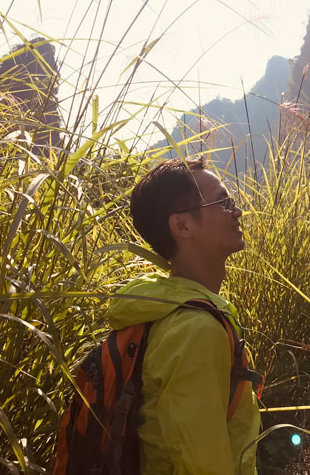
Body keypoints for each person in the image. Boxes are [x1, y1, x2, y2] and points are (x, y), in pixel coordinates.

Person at [106, 156, 261, 474]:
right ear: (182, 225)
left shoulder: (166, 307)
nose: (237, 211)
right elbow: (201, 463)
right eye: (223, 202)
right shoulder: (195, 329)